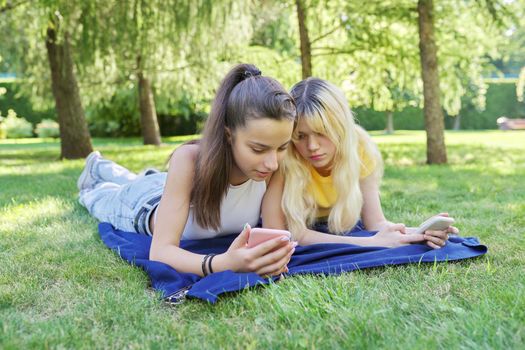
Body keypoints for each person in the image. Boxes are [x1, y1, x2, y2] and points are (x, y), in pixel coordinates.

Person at [78, 64, 297, 277]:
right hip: (141, 205)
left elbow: (274, 240)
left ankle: (105, 167)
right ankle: (96, 168)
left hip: (167, 187)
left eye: (282, 147)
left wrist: (274, 257)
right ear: (229, 135)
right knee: (94, 195)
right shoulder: (189, 160)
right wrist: (223, 263)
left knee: (141, 178)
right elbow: (160, 252)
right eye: (258, 149)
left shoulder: (275, 167)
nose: (272, 163)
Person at [262, 77, 457, 248]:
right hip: (296, 229)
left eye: (322, 133)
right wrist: (371, 242)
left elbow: (375, 224)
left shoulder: (360, 146)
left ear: (341, 127)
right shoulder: (284, 153)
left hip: (337, 227)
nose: (312, 146)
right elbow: (279, 234)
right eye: (301, 136)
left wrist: (419, 232)